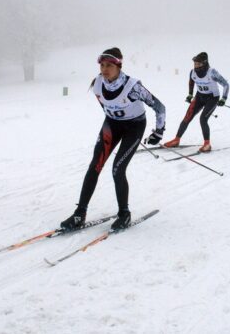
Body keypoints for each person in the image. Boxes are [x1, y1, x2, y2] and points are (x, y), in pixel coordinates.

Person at [60, 48, 166, 231]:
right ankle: (79, 214)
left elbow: (160, 107)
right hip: (112, 125)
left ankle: (124, 214)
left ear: (119, 66)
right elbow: (105, 105)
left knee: (117, 169)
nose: (104, 69)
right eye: (102, 65)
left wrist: (158, 132)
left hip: (134, 127)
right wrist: (114, 116)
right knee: (95, 165)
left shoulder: (133, 87)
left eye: (109, 65)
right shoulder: (97, 83)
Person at [163, 52, 229, 152]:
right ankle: (176, 140)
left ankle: (207, 144)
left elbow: (225, 84)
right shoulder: (192, 72)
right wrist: (190, 94)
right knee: (187, 117)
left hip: (212, 98)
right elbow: (191, 82)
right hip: (199, 97)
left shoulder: (212, 72)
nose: (196, 66)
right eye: (195, 63)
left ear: (204, 63)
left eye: (198, 64)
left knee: (203, 119)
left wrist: (224, 98)